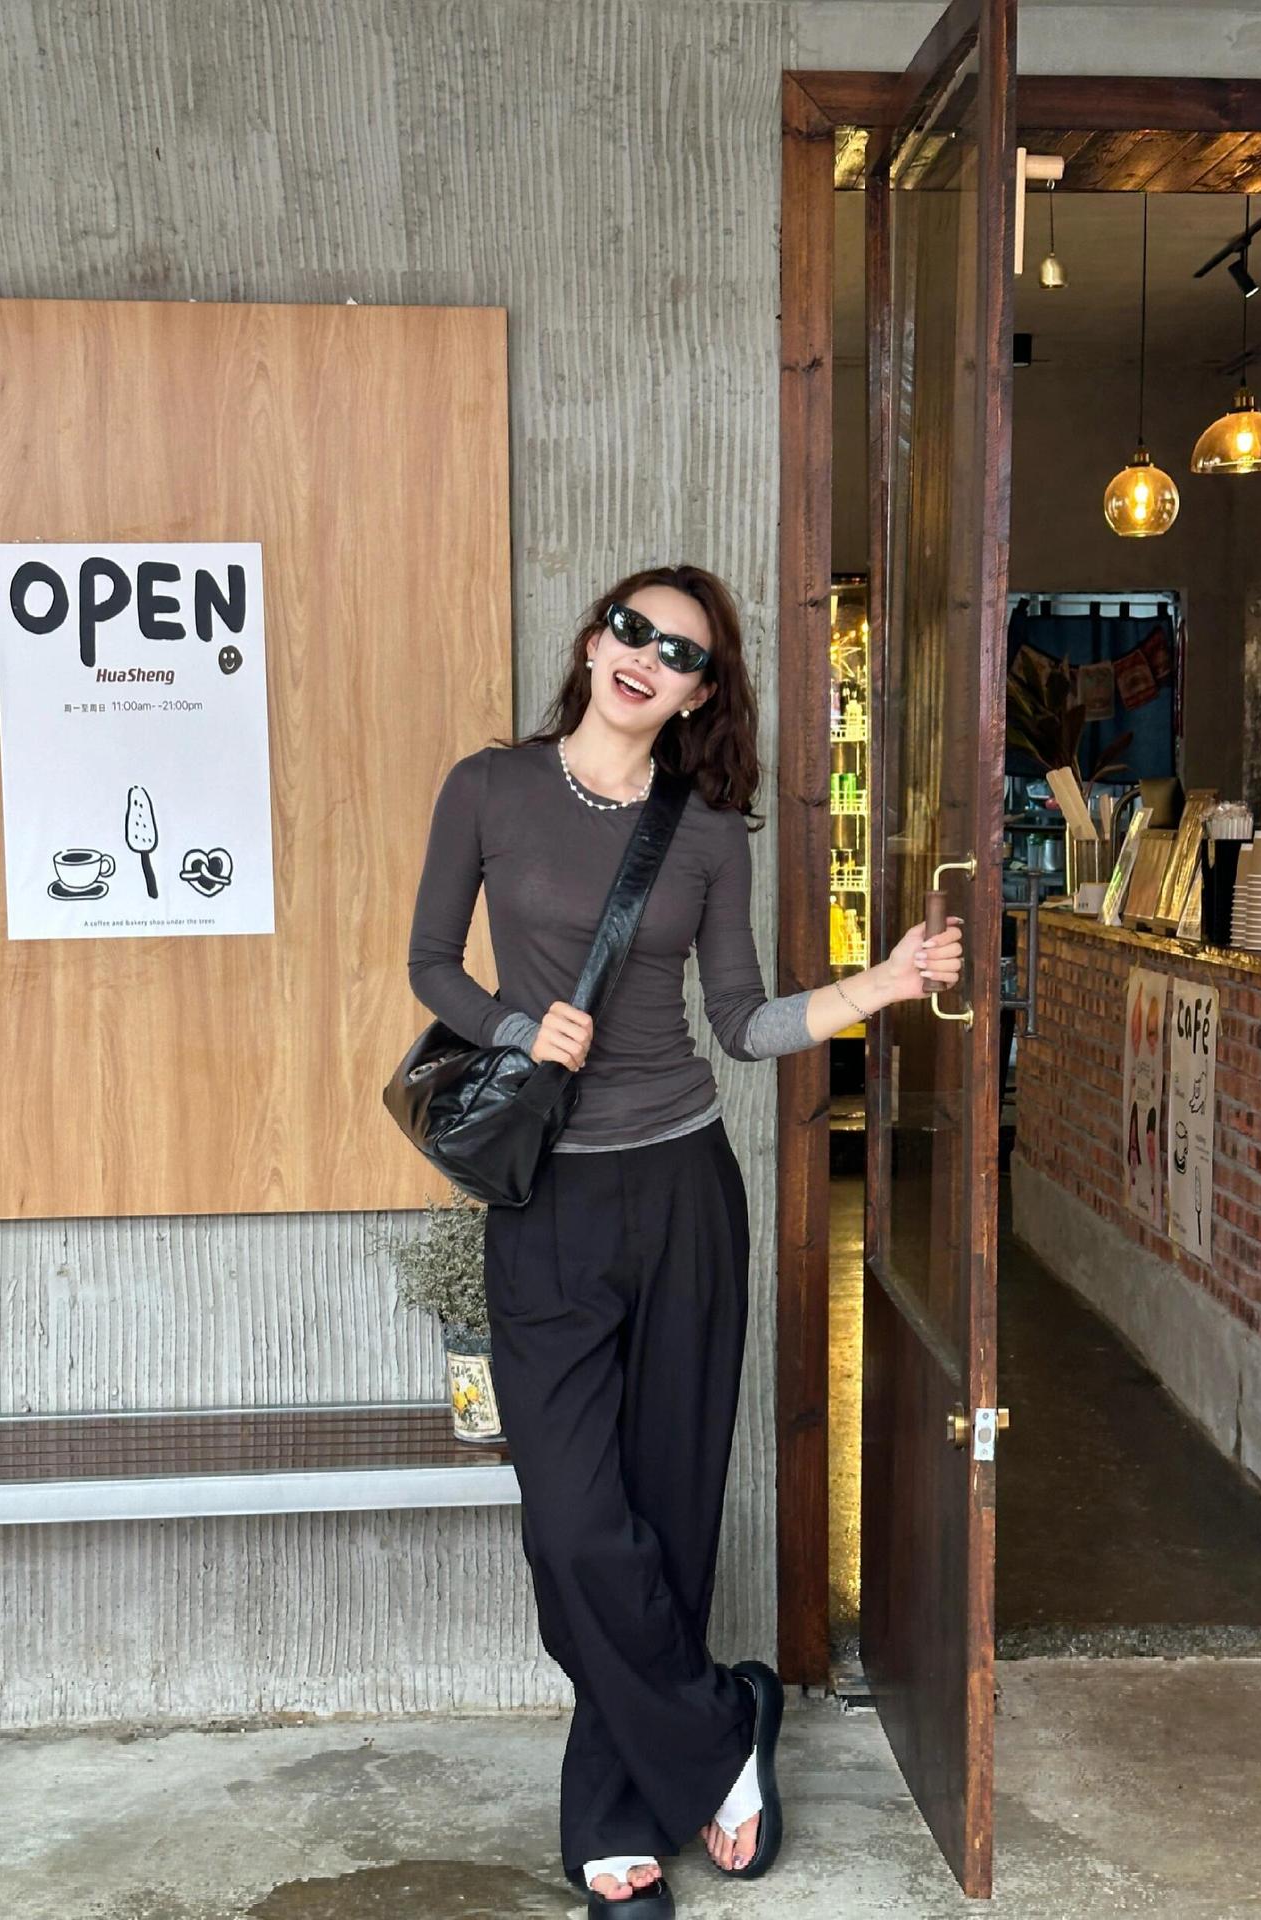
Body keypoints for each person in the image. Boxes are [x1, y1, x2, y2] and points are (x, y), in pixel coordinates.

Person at [407, 565, 964, 1909]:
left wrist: (882, 985)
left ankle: (612, 1807)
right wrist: (516, 1027)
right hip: (544, 1200)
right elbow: (430, 964)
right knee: (574, 1529)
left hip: (681, 1193)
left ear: (702, 694)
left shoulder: (708, 833)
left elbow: (741, 1022)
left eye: (681, 652)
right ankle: (723, 1726)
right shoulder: (489, 788)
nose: (645, 656)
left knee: (665, 1509)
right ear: (594, 639)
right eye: (631, 629)